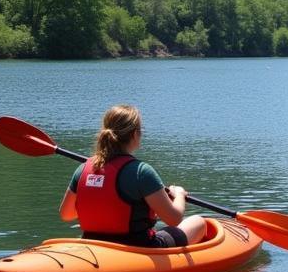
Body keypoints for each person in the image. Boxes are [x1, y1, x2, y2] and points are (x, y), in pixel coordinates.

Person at [59, 104, 206, 247]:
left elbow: (66, 214)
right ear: (135, 134)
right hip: (138, 247)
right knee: (198, 222)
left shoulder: (82, 169)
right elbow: (174, 219)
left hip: (94, 244)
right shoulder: (141, 172)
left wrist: (101, 205)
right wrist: (179, 195)